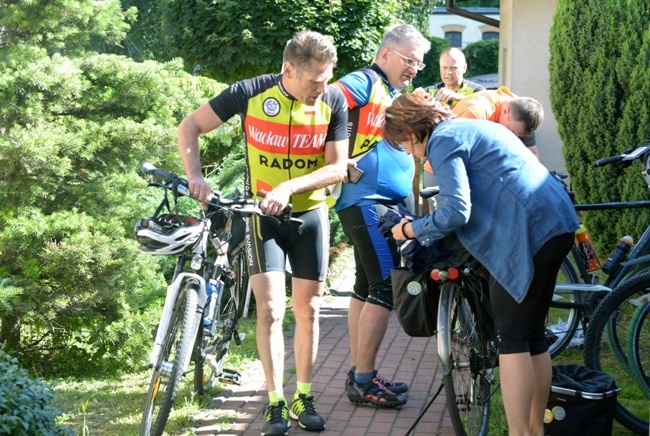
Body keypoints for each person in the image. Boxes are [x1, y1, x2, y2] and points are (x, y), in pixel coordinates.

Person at [177, 30, 349, 435]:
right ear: (289, 70)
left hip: (309, 215)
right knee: (271, 309)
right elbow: (189, 127)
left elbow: (337, 167)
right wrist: (195, 176)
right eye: (315, 80)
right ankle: (274, 401)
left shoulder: (334, 100)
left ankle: (303, 396)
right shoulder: (249, 92)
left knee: (308, 309)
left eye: (328, 77)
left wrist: (289, 187)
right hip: (260, 216)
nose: (323, 87)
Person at [382, 90, 579, 436]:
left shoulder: (442, 141)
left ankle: (521, 433)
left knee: (513, 338)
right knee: (533, 336)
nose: (412, 153)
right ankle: (534, 430)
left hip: (528, 233)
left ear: (412, 132)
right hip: (557, 223)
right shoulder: (475, 127)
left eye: (406, 145)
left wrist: (410, 229)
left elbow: (458, 210)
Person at [331, 24, 430, 408]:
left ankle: (361, 372)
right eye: (409, 60)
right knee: (386, 286)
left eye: (419, 64)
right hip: (366, 201)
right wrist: (338, 157)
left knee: (363, 286)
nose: (414, 69)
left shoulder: (392, 92)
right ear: (386, 54)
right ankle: (364, 381)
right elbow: (326, 100)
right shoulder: (364, 80)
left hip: (381, 202)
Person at [421, 47, 486, 210]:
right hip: (435, 162)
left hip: (468, 163)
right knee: (438, 211)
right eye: (444, 68)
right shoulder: (430, 92)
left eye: (453, 68)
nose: (448, 72)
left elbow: (485, 113)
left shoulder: (477, 91)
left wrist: (461, 99)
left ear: (464, 68)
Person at [453, 86, 544, 162]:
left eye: (519, 136)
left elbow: (532, 155)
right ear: (505, 111)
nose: (515, 138)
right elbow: (459, 154)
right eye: (512, 132)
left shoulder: (522, 112)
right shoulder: (476, 114)